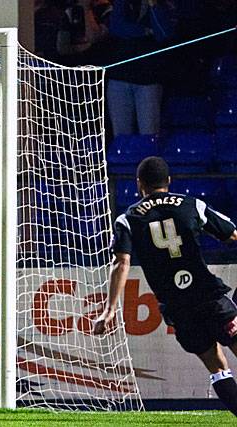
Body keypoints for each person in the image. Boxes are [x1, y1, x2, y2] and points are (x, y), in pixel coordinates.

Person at [94, 156, 237, 417]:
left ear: (140, 185)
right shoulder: (192, 204)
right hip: (208, 296)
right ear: (169, 181)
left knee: (217, 368)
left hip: (178, 307)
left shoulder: (128, 218)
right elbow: (231, 234)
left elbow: (121, 262)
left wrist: (110, 309)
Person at [105, 0, 177, 137]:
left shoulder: (162, 6)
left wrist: (153, 5)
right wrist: (146, 31)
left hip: (148, 79)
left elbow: (163, 34)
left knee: (149, 133)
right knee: (121, 136)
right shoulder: (121, 3)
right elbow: (117, 28)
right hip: (120, 77)